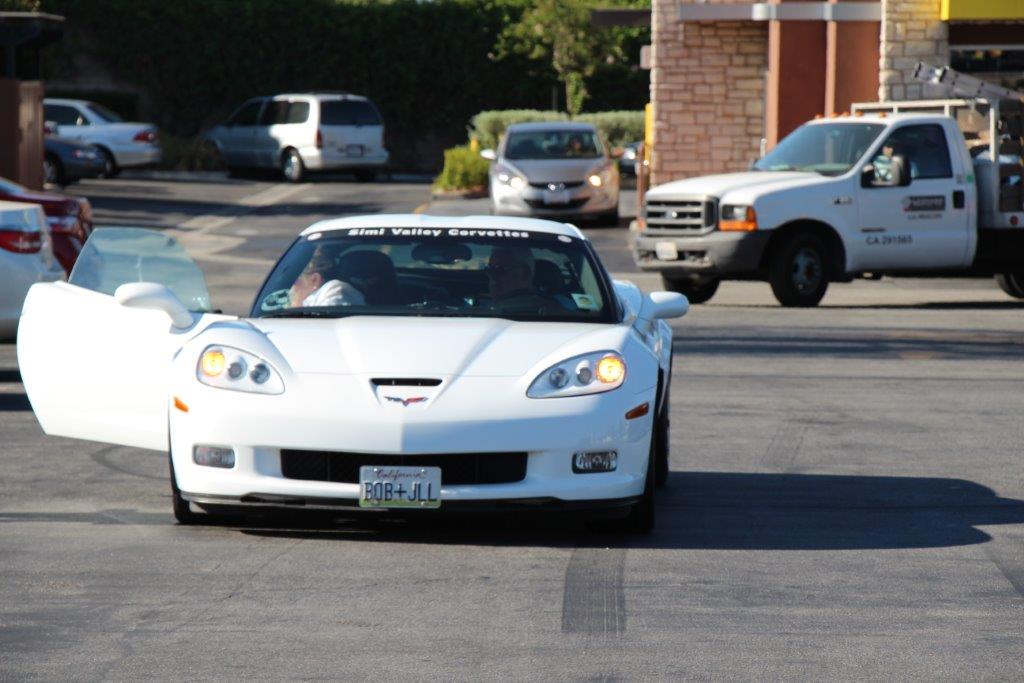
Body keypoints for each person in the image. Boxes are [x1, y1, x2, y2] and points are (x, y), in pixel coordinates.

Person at [288, 247, 365, 308]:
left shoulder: (333, 290)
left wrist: (296, 305)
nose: (292, 286)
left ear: (315, 280)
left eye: (295, 280)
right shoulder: (316, 298)